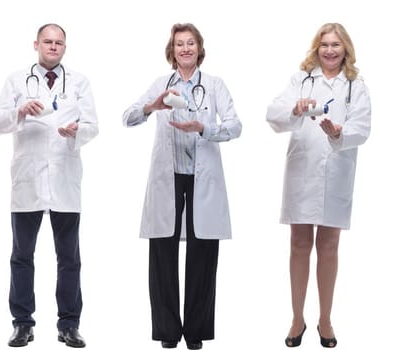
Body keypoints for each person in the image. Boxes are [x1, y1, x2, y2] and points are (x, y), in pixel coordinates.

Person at [122, 23, 241, 350]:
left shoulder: (215, 86)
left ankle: (196, 333)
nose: (185, 49)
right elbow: (128, 116)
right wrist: (152, 107)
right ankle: (168, 332)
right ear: (171, 50)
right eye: (179, 44)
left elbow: (234, 126)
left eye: (190, 43)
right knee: (162, 254)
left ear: (199, 48)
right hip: (168, 176)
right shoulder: (161, 85)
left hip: (203, 177)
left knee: (203, 256)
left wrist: (203, 128)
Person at [0, 23, 98, 349]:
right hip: (28, 183)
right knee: (22, 257)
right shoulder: (16, 81)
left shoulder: (79, 82)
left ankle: (69, 325)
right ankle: (22, 324)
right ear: (36, 44)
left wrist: (77, 131)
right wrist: (19, 111)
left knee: (69, 259)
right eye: (48, 42)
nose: (53, 47)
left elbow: (93, 125)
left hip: (65, 180)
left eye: (59, 43)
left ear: (65, 47)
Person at [266, 23, 370, 349]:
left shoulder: (356, 85)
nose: (329, 50)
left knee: (328, 247)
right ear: (316, 47)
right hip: (302, 169)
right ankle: (298, 318)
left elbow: (363, 126)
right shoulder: (302, 79)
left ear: (345, 49)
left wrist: (339, 132)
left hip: (337, 171)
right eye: (324, 44)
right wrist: (294, 108)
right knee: (299, 245)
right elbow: (273, 114)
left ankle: (325, 319)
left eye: (336, 45)